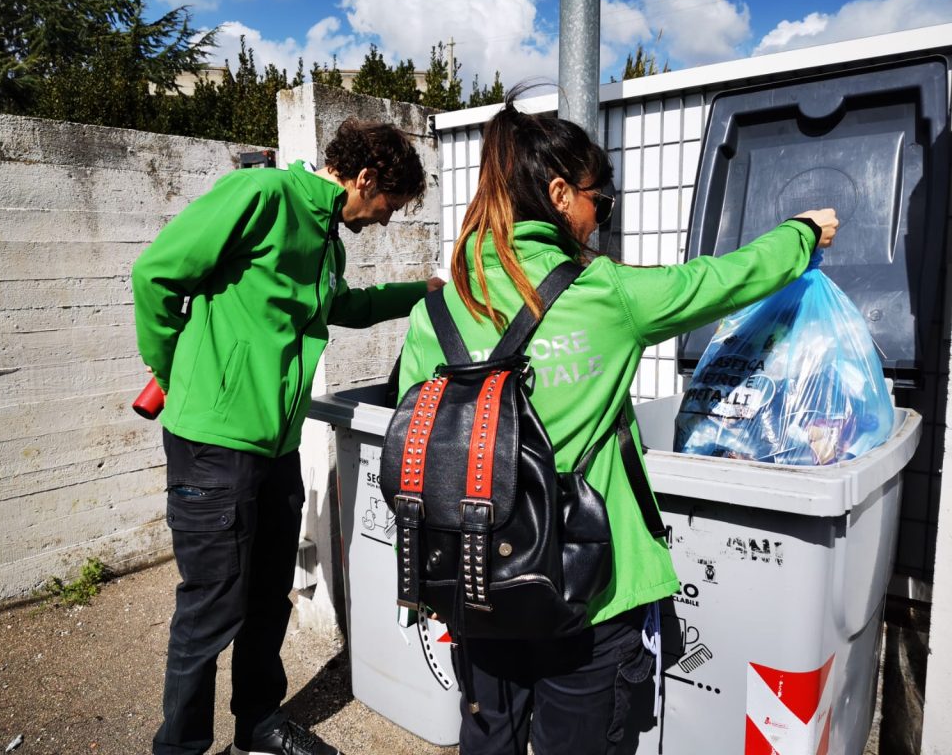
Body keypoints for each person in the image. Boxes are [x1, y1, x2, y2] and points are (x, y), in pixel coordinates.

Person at [395, 85, 839, 755]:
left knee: (488, 741)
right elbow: (722, 279)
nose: (599, 218)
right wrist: (800, 233)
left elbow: (422, 450)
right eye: (598, 201)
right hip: (590, 590)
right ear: (560, 194)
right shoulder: (603, 291)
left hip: (477, 580)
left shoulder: (436, 310)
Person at [131, 118, 443, 755]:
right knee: (211, 608)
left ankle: (257, 724)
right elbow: (155, 275)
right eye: (388, 205)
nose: (385, 219)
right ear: (365, 179)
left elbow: (342, 307)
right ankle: (180, 747)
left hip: (275, 448)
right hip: (213, 444)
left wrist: (426, 294)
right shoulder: (263, 195)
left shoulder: (327, 240)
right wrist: (174, 372)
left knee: (270, 595)